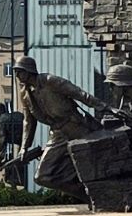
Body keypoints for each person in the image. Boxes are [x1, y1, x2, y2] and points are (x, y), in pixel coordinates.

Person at [8, 54, 104, 200]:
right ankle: (89, 195)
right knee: (42, 176)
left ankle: (99, 193)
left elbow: (79, 94)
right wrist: (24, 147)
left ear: (28, 71)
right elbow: (29, 121)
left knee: (97, 164)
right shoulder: (25, 94)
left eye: (19, 71)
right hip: (57, 133)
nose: (16, 74)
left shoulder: (50, 81)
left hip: (77, 127)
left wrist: (103, 106)